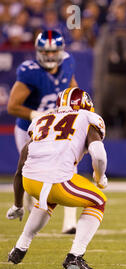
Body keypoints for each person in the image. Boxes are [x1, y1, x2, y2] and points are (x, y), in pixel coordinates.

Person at [6, 87, 108, 269]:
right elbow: (99, 156)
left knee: (48, 199)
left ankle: (20, 247)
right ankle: (75, 256)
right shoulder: (87, 117)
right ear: (86, 104)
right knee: (98, 201)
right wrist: (100, 177)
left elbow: (21, 164)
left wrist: (18, 204)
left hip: (30, 181)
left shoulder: (42, 120)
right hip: (57, 181)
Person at [7, 29, 79, 234]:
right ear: (38, 51)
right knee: (29, 171)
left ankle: (69, 223)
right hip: (29, 129)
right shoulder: (30, 71)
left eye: (53, 51)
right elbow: (13, 106)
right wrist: (37, 115)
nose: (49, 55)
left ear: (60, 51)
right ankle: (24, 205)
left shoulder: (68, 63)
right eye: (45, 52)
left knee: (69, 167)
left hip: (56, 129)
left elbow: (72, 89)